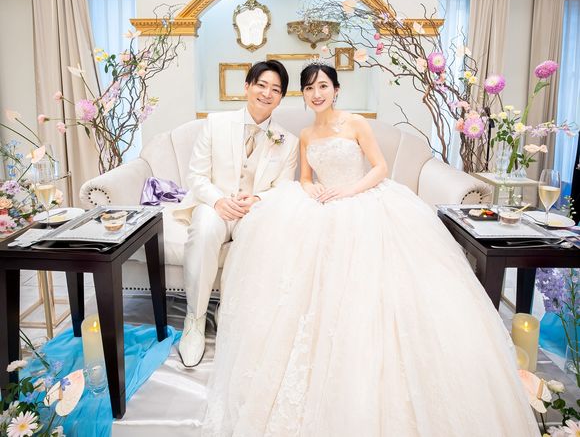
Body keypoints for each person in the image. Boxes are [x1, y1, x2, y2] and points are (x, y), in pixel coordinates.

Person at [202, 62, 540, 436]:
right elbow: (305, 178)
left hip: (362, 198)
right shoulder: (306, 135)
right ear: (303, 95)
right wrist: (312, 189)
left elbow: (379, 168)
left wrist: (348, 191)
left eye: (323, 86)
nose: (317, 94)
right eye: (310, 88)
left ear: (336, 90)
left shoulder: (356, 124)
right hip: (324, 203)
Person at [175, 60, 299, 367]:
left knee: (259, 237)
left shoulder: (289, 141)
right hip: (215, 205)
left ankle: (228, 311)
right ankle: (195, 319)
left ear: (281, 98)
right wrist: (218, 201)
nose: (267, 93)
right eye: (261, 85)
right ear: (247, 87)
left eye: (275, 89)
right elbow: (196, 176)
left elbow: (284, 188)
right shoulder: (215, 123)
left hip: (254, 211)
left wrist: (257, 199)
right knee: (204, 229)